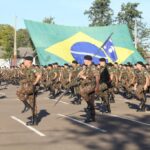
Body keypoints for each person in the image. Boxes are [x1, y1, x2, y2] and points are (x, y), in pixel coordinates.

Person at [16, 56, 42, 125]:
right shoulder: (27, 69)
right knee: (32, 103)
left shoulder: (33, 68)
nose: (24, 61)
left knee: (19, 92)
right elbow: (26, 77)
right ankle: (34, 120)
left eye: (25, 60)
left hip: (32, 87)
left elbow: (39, 76)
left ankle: (27, 105)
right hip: (29, 87)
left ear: (29, 61)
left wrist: (34, 83)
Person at [79, 55, 99, 123]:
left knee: (82, 91)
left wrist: (97, 86)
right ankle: (92, 117)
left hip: (92, 85)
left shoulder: (93, 67)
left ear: (88, 60)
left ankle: (89, 105)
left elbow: (97, 76)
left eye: (85, 60)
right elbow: (83, 74)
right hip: (88, 84)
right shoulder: (87, 67)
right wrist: (82, 74)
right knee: (91, 101)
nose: (84, 61)